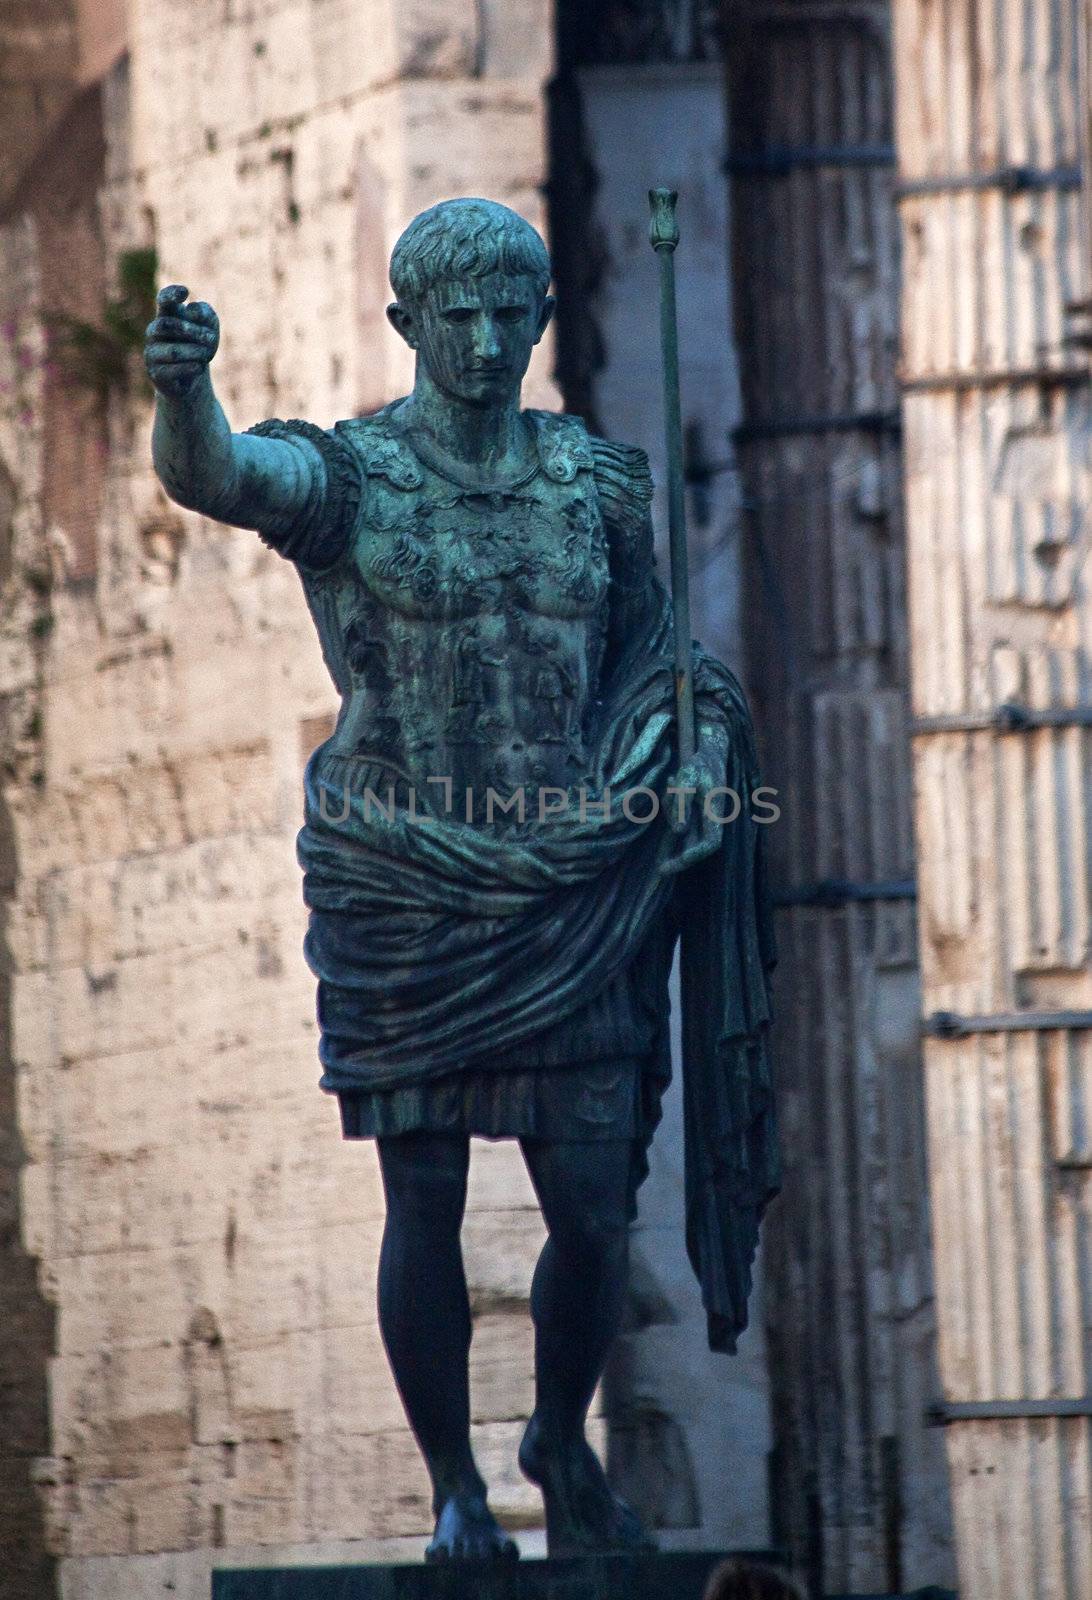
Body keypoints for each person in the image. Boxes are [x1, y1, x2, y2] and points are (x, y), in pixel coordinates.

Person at [145, 198, 778, 1562]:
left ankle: (558, 1436)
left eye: (512, 314)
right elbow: (222, 478)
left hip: (573, 886)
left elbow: (660, 668)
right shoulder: (355, 479)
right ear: (407, 326)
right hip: (404, 879)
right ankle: (454, 1487)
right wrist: (187, 390)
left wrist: (693, 765)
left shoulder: (600, 487)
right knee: (420, 1192)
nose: (487, 341)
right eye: (459, 316)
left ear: (544, 319)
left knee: (597, 1203)